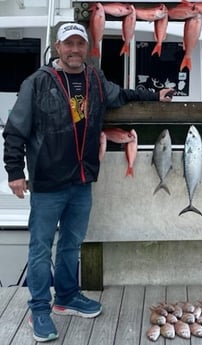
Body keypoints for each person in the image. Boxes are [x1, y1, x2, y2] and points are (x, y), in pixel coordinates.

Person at [2, 22, 173, 343]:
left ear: (88, 48)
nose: (75, 50)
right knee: (40, 249)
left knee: (71, 244)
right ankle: (39, 307)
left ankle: (66, 297)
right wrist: (14, 172)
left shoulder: (95, 79)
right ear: (57, 47)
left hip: (82, 180)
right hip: (48, 182)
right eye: (69, 44)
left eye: (80, 44)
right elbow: (14, 130)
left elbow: (121, 95)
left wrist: (154, 95)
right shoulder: (37, 83)